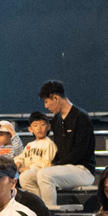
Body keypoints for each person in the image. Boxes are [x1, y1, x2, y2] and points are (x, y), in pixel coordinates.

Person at [32, 81, 97, 209]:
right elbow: (59, 150)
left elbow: (80, 152)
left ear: (56, 98)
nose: (46, 106)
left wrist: (57, 165)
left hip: (82, 170)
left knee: (44, 175)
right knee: (27, 177)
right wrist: (52, 163)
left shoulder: (81, 117)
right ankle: (38, 210)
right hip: (63, 169)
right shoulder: (56, 120)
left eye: (47, 101)